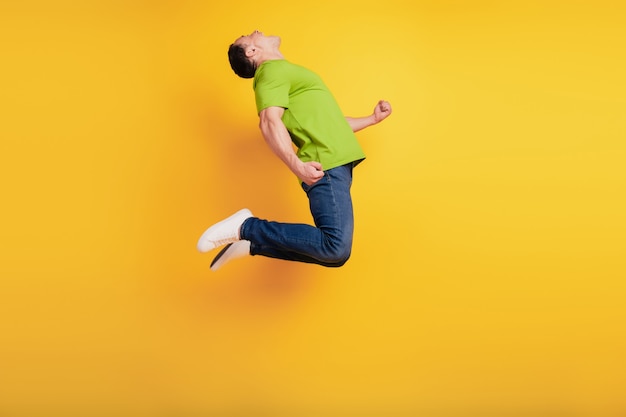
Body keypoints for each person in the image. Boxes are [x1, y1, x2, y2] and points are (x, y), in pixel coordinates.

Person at [197, 30, 392, 271]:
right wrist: (297, 166)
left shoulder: (284, 72)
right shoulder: (271, 71)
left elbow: (333, 124)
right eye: (248, 36)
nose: (256, 30)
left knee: (337, 255)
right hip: (325, 165)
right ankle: (246, 227)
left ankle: (252, 245)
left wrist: (372, 119)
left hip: (336, 163)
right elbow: (269, 121)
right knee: (335, 247)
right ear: (252, 52)